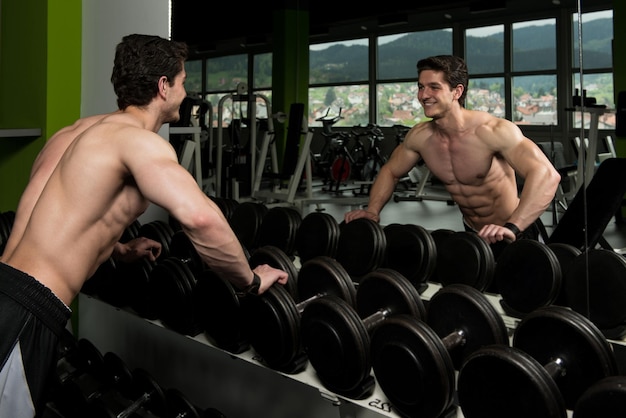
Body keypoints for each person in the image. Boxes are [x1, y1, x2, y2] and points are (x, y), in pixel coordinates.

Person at [0, 34, 288, 418]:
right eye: (183, 82)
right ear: (163, 86)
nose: (186, 94)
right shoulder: (138, 143)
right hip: (27, 316)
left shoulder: (74, 132)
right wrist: (250, 280)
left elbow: (51, 216)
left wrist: (117, 248)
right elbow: (201, 219)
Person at [345, 55, 561, 243]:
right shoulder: (420, 137)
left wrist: (513, 226)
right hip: (473, 233)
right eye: (421, 87)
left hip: (516, 232)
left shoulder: (492, 131)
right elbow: (390, 171)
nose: (424, 95)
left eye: (434, 87)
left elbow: (547, 175)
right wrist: (372, 210)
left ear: (457, 91)